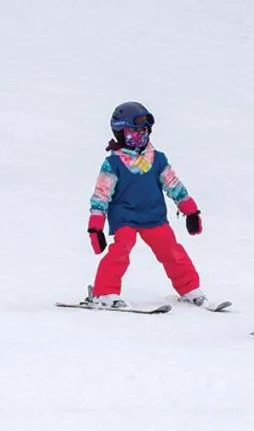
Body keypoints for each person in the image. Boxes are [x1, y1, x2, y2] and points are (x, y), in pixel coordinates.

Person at [83, 101, 211, 309]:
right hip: (125, 218)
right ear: (120, 133)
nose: (139, 137)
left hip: (154, 217)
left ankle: (189, 289)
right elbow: (101, 195)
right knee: (120, 252)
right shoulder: (113, 164)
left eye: (143, 133)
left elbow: (173, 185)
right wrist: (95, 227)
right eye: (133, 133)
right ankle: (104, 292)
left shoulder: (157, 159)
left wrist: (190, 211)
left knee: (172, 251)